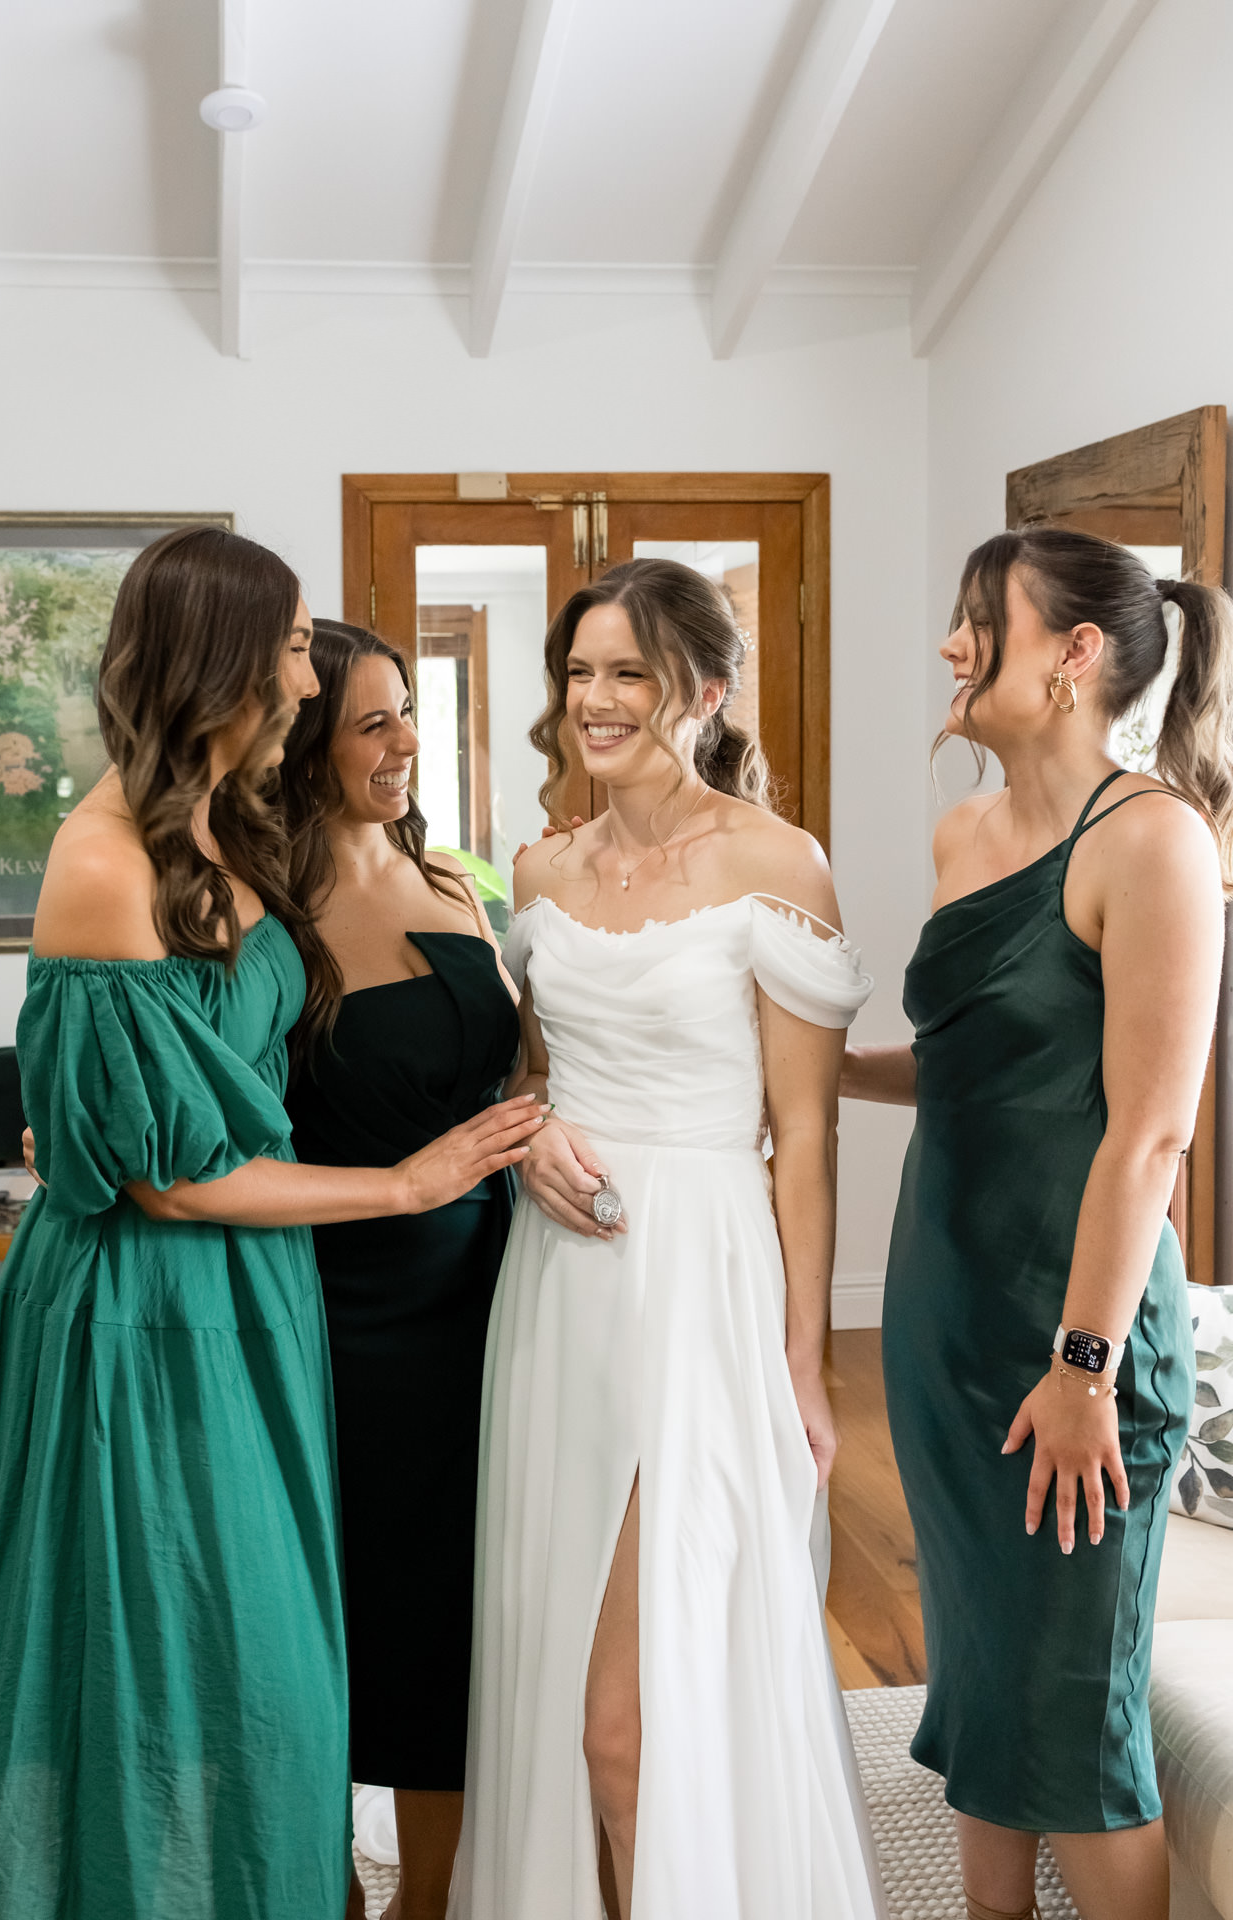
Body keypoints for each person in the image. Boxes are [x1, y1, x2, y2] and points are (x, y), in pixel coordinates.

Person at [0, 527, 544, 1920]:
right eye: (291, 649)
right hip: (151, 1315)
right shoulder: (103, 861)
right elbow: (169, 1177)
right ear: (220, 662)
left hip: (256, 1290)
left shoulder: (226, 829)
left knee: (268, 1656)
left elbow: (216, 1073)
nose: (308, 675)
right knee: (176, 1659)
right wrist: (407, 1185)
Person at [449, 558, 886, 1920]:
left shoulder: (776, 863)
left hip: (703, 1280)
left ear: (703, 689)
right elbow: (533, 1074)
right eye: (579, 672)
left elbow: (804, 1136)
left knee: (626, 1727)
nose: (595, 698)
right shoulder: (539, 865)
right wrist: (532, 1135)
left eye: (628, 672)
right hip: (558, 1285)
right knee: (551, 1680)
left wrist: (803, 1365)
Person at [843, 527, 1231, 1920]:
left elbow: (1151, 1134)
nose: (951, 645)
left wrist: (1084, 1369)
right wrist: (804, 1070)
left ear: (1074, 654)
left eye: (977, 619)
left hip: (1075, 1337)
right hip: (942, 1320)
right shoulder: (964, 835)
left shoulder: (1156, 840)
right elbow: (969, 1069)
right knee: (986, 1680)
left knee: (1072, 1720)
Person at [280, 622, 521, 1920]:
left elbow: (524, 1075)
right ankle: (318, 1882)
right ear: (303, 744)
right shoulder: (260, 911)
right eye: (372, 723)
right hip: (334, 1314)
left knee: (453, 1618)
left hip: (490, 1297)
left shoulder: (452, 879)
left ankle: (429, 1898)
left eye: (409, 713)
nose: (409, 743)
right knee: (320, 1609)